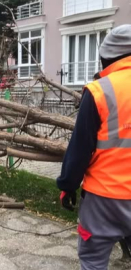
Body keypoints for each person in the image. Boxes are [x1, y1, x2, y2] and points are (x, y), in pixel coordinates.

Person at [57, 24, 131, 269]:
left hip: (103, 199)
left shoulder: (101, 90)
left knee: (92, 261)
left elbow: (80, 149)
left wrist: (67, 186)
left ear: (107, 57)